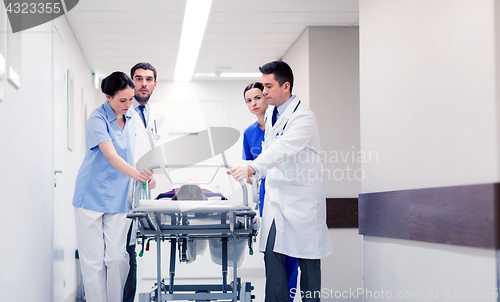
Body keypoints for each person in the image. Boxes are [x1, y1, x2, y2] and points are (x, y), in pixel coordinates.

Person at [230, 61, 332, 302]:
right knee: (273, 259)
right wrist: (253, 174)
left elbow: (284, 149)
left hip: (301, 203)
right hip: (276, 203)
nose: (263, 92)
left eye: (268, 86)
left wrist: (253, 167)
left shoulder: (303, 117)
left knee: (308, 267)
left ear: (285, 86)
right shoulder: (274, 116)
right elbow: (270, 155)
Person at [73, 71, 153, 302]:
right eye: (123, 100)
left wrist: (145, 172)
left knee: (118, 258)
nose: (128, 105)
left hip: (119, 198)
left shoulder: (130, 120)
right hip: (90, 197)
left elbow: (129, 158)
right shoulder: (97, 119)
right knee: (93, 261)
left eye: (131, 99)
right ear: (108, 97)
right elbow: (111, 155)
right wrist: (136, 174)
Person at [242, 82, 299, 302]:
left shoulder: (284, 126)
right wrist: (251, 174)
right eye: (249, 100)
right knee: (273, 255)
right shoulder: (249, 133)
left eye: (257, 97)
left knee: (291, 255)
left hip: (290, 195)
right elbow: (251, 165)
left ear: (267, 97)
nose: (254, 103)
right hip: (267, 198)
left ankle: (289, 298)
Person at [123, 62, 165, 302]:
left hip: (139, 190)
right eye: (138, 79)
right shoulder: (122, 111)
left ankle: (127, 298)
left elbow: (152, 149)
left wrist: (151, 174)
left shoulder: (158, 115)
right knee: (120, 254)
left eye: (148, 79)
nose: (143, 84)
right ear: (131, 83)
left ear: (155, 84)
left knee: (131, 253)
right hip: (120, 189)